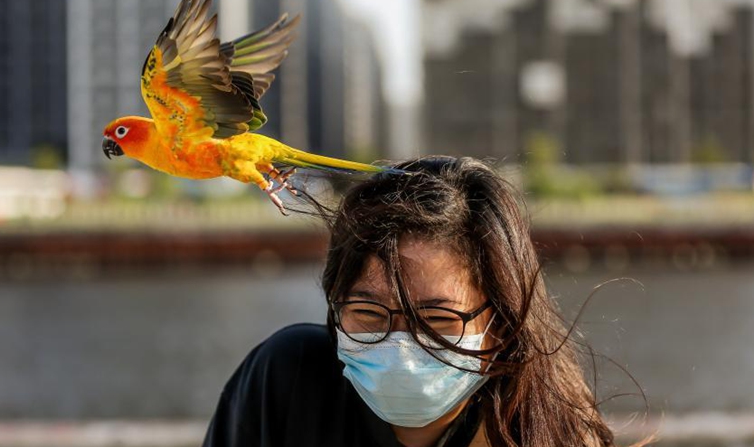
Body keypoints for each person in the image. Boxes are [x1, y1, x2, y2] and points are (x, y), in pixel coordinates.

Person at [202, 156, 641, 447]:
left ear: (502, 325)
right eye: (369, 313)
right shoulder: (289, 379)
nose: (400, 345)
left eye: (436, 318)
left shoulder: (545, 428)